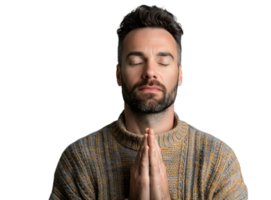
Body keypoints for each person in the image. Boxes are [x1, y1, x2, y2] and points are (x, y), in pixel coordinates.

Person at [47, 4, 250, 200]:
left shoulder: (220, 161)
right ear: (117, 75)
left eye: (163, 61)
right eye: (136, 61)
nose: (150, 72)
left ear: (181, 74)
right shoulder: (78, 160)